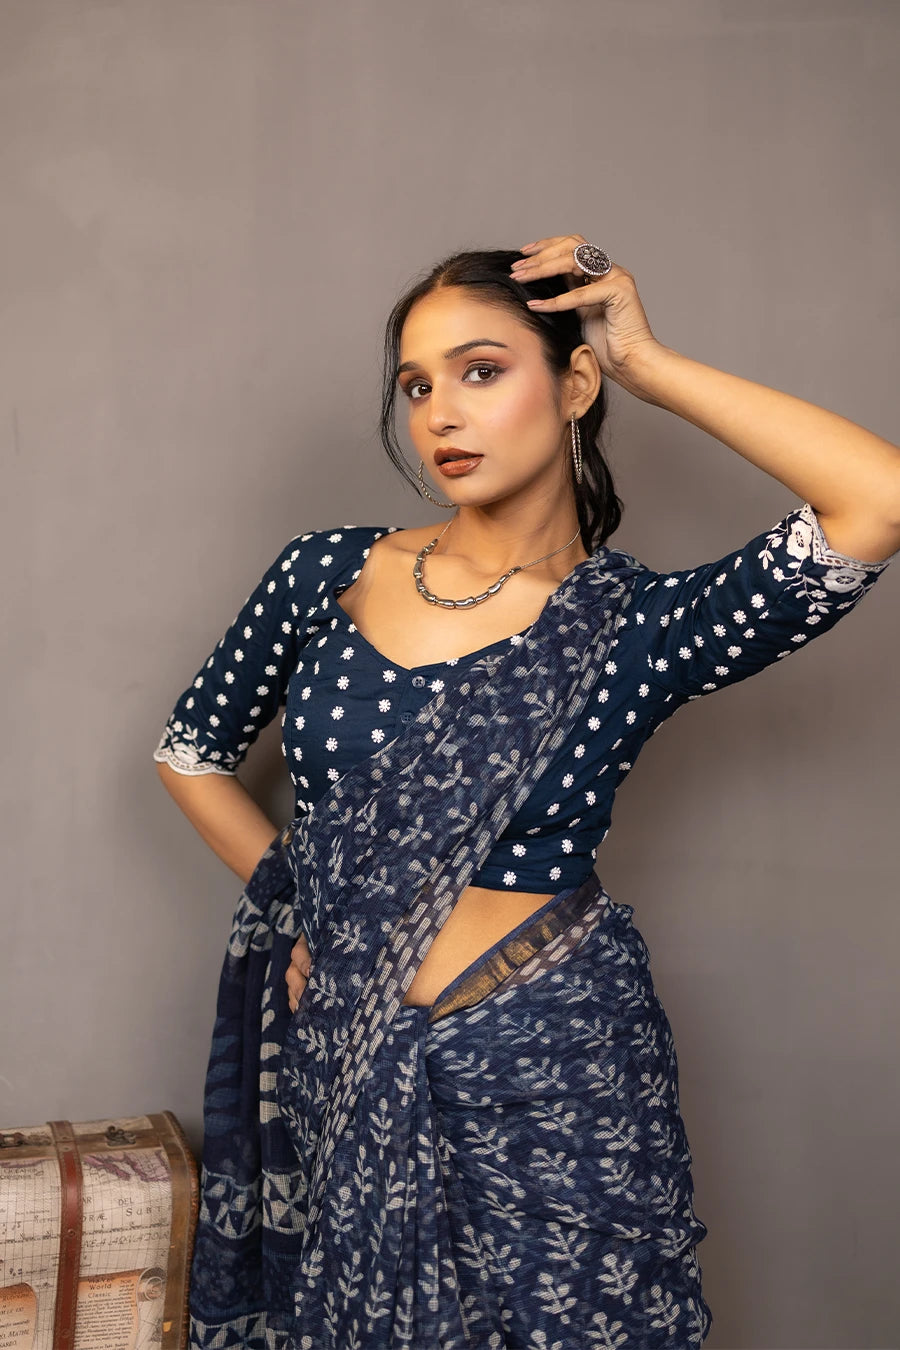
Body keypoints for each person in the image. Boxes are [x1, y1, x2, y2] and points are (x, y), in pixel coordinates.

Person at [154, 234, 898, 1349]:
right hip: (349, 1055)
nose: (441, 414)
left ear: (575, 384)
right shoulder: (327, 574)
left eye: (482, 371)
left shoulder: (639, 627)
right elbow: (190, 750)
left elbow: (878, 501)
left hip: (558, 1060)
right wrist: (309, 905)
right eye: (418, 385)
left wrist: (648, 363)